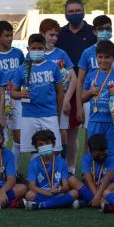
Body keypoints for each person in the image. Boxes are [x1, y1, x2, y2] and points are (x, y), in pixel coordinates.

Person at [55, 0, 97, 167]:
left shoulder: (92, 33)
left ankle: (80, 169)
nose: (74, 14)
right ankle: (65, 169)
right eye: (70, 11)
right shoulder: (60, 34)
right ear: (65, 13)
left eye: (77, 10)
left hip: (87, 89)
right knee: (65, 132)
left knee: (85, 132)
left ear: (84, 11)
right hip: (65, 90)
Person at [76, 15, 114, 153]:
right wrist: (79, 106)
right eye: (101, 29)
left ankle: (112, 170)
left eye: (108, 28)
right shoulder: (87, 52)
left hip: (113, 104)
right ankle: (88, 172)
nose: (105, 31)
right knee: (90, 139)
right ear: (94, 31)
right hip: (92, 101)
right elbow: (80, 80)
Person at [11, 34, 64, 155]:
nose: (36, 51)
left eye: (40, 48)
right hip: (29, 114)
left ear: (45, 49)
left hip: (49, 113)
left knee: (53, 149)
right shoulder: (22, 69)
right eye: (33, 49)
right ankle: (37, 173)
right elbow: (13, 92)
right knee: (34, 149)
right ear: (28, 49)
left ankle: (53, 172)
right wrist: (20, 94)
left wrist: (58, 114)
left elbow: (60, 93)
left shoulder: (53, 67)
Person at [39, 18, 77, 174]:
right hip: (42, 104)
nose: (54, 38)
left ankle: (63, 170)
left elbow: (73, 78)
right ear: (42, 34)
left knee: (62, 136)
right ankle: (45, 171)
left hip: (60, 103)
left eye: (56, 35)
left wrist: (67, 99)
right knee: (43, 137)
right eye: (51, 35)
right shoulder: (34, 53)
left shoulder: (61, 53)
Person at [0, 21, 25, 170]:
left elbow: (25, 74)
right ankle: (0, 170)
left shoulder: (18, 53)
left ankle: (13, 170)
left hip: (17, 98)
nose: (10, 38)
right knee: (0, 137)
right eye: (6, 36)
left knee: (19, 138)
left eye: (11, 35)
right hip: (0, 99)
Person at [24, 130, 79, 210]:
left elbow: (66, 186)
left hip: (58, 193)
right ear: (36, 148)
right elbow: (32, 186)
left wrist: (60, 190)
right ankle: (62, 203)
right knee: (29, 195)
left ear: (53, 144)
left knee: (75, 193)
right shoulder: (33, 163)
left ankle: (42, 205)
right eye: (40, 145)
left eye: (47, 143)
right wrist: (47, 192)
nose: (44, 146)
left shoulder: (61, 162)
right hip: (42, 193)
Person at [68, 134, 114, 208]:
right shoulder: (86, 159)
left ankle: (86, 202)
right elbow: (88, 180)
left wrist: (98, 195)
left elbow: (107, 179)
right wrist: (97, 197)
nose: (101, 157)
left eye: (104, 154)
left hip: (106, 189)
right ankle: (102, 203)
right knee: (71, 179)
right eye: (98, 155)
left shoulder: (113, 158)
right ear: (91, 152)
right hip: (90, 189)